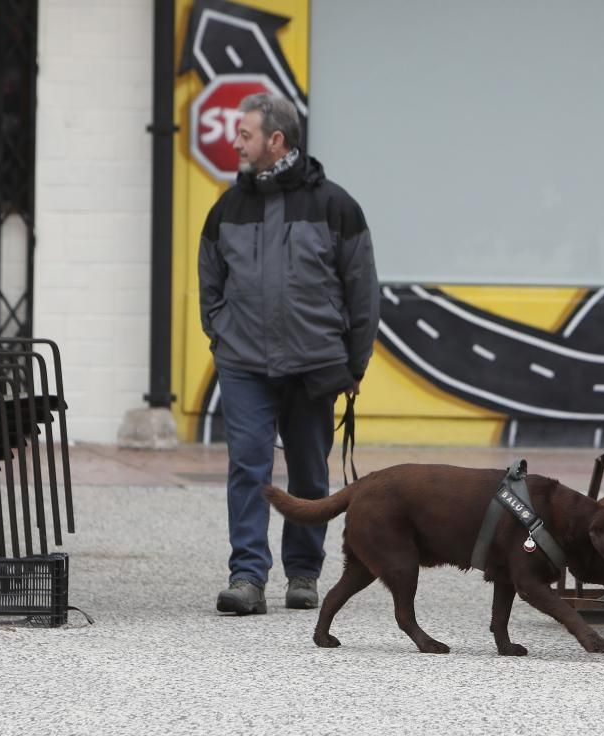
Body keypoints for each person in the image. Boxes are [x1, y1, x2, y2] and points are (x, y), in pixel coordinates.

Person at [197, 92, 380, 615]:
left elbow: (362, 289)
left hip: (315, 364)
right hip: (245, 364)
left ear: (276, 141)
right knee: (247, 468)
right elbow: (209, 281)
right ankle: (247, 576)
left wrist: (354, 364)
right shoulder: (227, 208)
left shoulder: (336, 206)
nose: (236, 142)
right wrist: (223, 335)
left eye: (245, 134)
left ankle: (303, 574)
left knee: (308, 473)